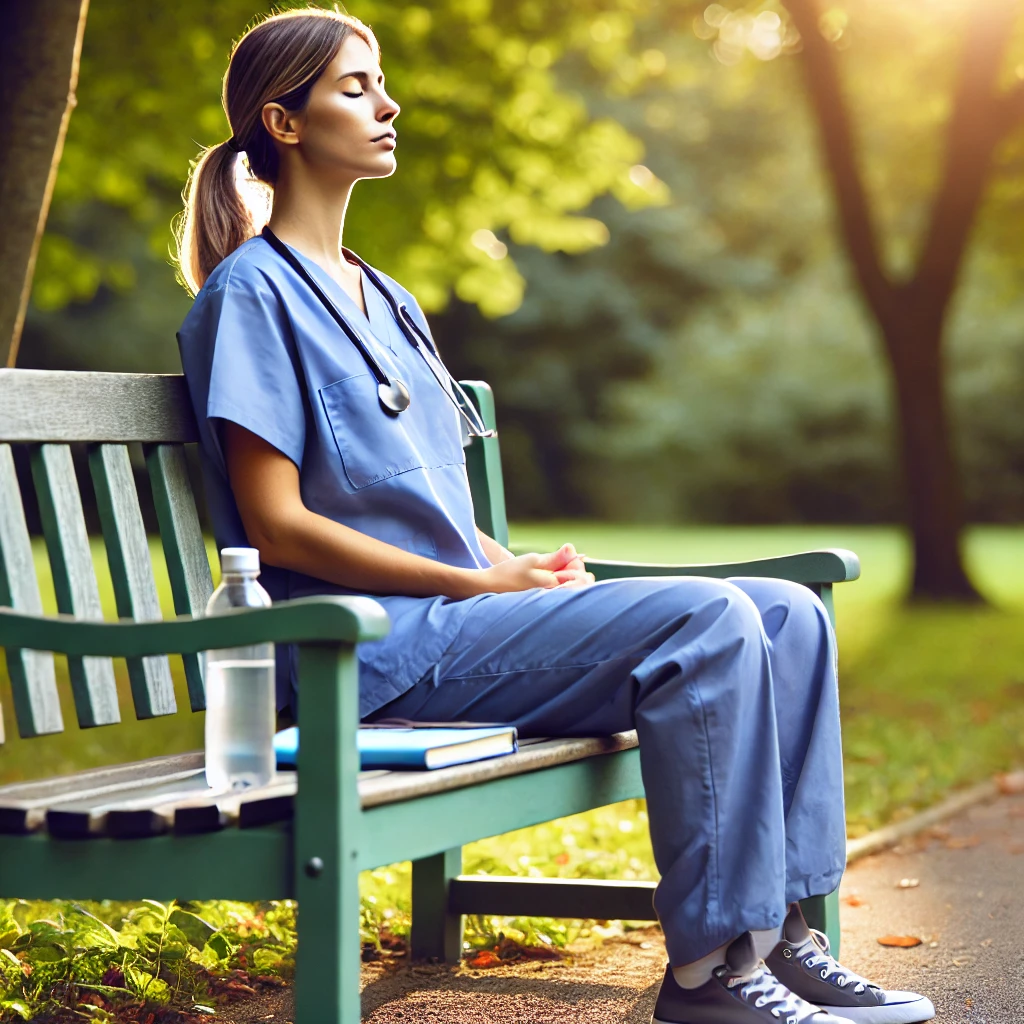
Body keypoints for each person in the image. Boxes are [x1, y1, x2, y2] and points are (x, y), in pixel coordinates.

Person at [174, 9, 934, 1024]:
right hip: (367, 649)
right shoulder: (250, 295)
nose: (388, 101)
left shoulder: (386, 297)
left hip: (458, 615)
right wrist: (473, 581)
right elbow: (275, 524)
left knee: (788, 610)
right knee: (708, 623)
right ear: (285, 122)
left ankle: (783, 940)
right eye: (354, 87)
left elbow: (425, 500)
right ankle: (712, 974)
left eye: (380, 79)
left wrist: (508, 562)